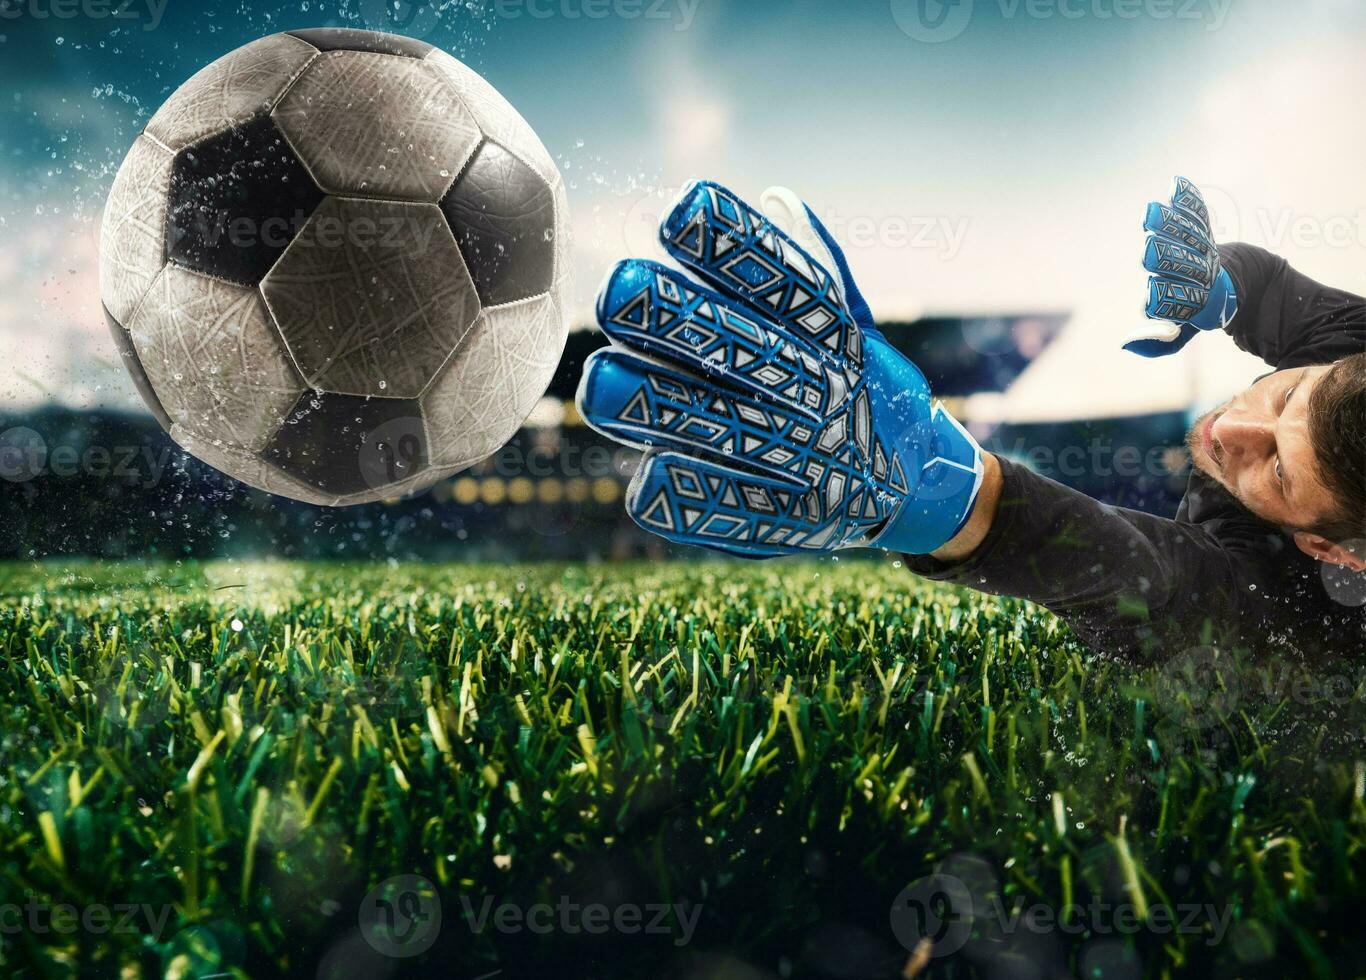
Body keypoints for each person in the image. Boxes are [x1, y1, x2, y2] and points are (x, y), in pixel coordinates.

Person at [576, 178, 1365, 661]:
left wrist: (955, 496)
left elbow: (1148, 581)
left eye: (1279, 470)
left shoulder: (1291, 609)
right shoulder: (1353, 350)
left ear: (1329, 546)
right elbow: (1276, 295)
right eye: (1284, 398)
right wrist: (1220, 285)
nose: (1231, 431)